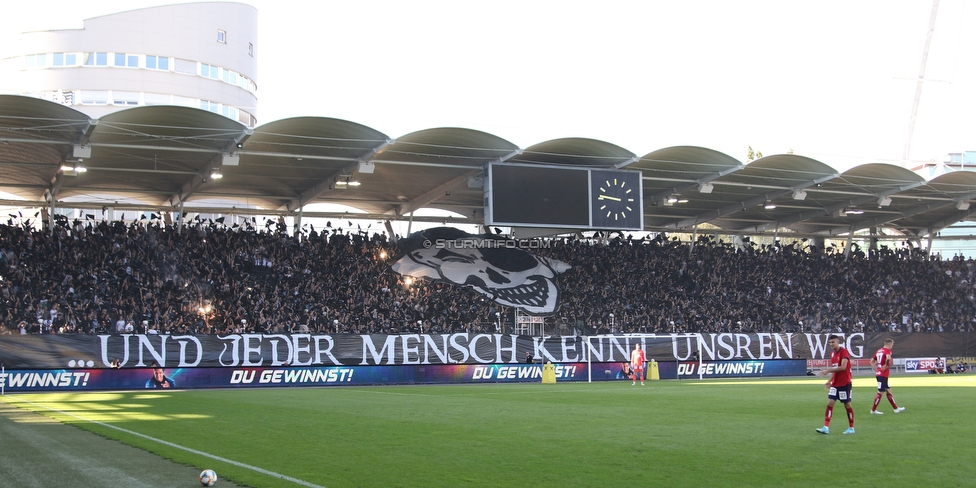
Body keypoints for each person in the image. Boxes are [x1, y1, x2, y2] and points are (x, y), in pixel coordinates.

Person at [816, 335, 855, 434]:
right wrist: (830, 381)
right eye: (830, 343)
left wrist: (827, 370)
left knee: (847, 405)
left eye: (833, 342)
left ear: (838, 342)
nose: (831, 344)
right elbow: (836, 370)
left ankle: (851, 428)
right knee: (830, 403)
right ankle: (826, 427)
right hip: (835, 384)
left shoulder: (844, 352)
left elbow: (843, 367)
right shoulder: (832, 353)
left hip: (845, 383)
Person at [870, 338, 906, 415]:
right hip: (883, 375)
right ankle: (873, 410)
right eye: (892, 345)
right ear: (889, 344)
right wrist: (886, 365)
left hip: (880, 374)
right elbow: (888, 358)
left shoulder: (878, 351)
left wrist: (877, 369)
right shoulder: (887, 351)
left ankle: (896, 409)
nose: (892, 346)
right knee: (880, 392)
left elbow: (871, 361)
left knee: (889, 390)